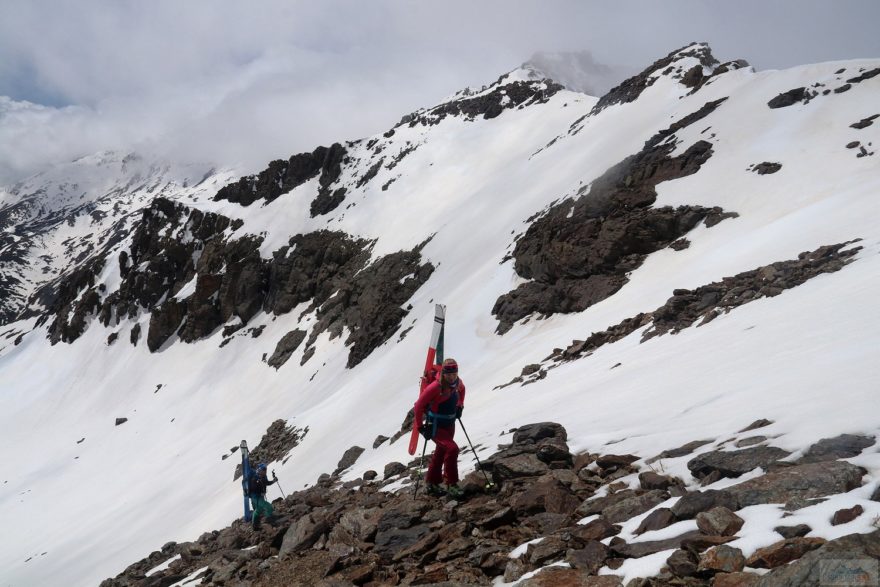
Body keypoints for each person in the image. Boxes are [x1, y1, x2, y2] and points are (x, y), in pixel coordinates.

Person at [414, 358, 466, 498]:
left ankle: (432, 483)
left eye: (454, 373)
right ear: (443, 373)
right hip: (436, 425)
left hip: (450, 423)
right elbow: (418, 406)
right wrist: (421, 427)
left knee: (441, 452)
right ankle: (452, 484)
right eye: (449, 374)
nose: (452, 377)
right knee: (452, 449)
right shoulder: (435, 387)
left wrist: (460, 405)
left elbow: (462, 390)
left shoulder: (457, 382)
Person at [247, 464, 277, 528]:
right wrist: (259, 486)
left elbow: (266, 483)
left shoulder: (263, 476)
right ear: (260, 470)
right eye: (264, 469)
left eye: (265, 469)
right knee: (268, 506)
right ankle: (270, 519)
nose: (265, 471)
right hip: (255, 497)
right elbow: (253, 488)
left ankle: (255, 525)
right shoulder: (255, 477)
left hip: (260, 496)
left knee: (259, 510)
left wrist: (273, 481)